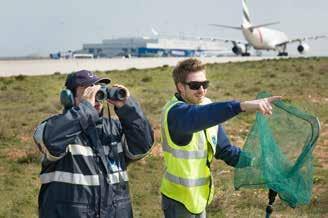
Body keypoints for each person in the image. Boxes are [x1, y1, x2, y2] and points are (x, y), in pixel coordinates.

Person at [160, 58, 281, 218]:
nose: (201, 90)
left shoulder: (205, 105)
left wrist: (256, 162)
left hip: (199, 198)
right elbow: (199, 117)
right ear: (180, 87)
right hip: (178, 200)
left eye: (205, 84)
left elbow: (225, 150)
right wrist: (241, 106)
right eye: (195, 85)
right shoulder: (176, 113)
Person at [33, 70, 154, 218]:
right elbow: (49, 141)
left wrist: (128, 108)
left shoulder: (114, 129)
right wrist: (85, 109)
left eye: (98, 91)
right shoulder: (56, 128)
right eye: (88, 91)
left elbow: (143, 147)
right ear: (69, 97)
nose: (95, 98)